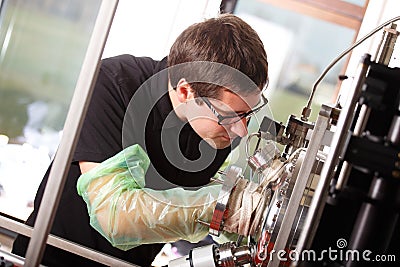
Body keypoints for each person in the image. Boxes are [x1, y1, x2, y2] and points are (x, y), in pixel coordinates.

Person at [12, 13, 269, 267]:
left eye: (248, 114)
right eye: (229, 115)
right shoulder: (114, 84)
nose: (241, 131)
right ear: (185, 91)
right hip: (50, 257)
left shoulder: (220, 130)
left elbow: (180, 210)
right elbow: (113, 215)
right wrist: (226, 207)